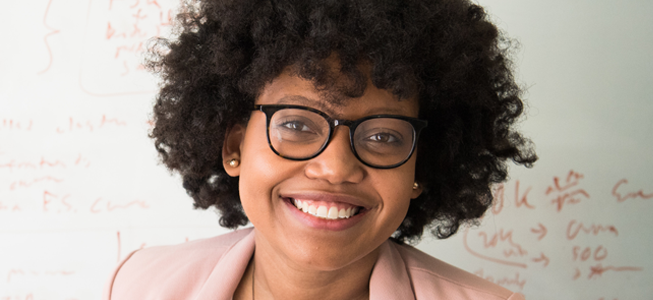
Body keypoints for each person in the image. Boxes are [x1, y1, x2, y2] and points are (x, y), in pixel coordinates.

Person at [104, 0, 537, 299]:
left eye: (384, 136)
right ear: (234, 146)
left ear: (420, 167)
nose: (335, 167)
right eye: (296, 124)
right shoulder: (138, 285)